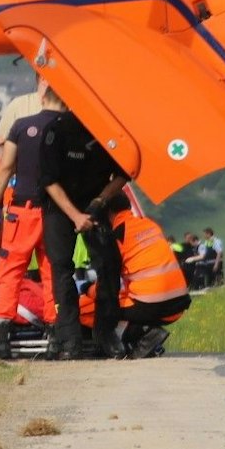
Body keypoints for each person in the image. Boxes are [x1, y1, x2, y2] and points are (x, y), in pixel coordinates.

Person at [37, 104, 129, 359]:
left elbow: (124, 173)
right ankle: (69, 339)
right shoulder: (56, 130)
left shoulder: (108, 131)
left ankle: (106, 332)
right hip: (59, 204)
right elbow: (48, 181)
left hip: (95, 200)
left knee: (109, 263)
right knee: (61, 267)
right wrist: (75, 215)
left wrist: (100, 202)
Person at [0, 85, 66, 359]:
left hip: (22, 211)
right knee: (52, 271)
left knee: (11, 271)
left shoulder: (21, 125)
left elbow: (5, 167)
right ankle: (56, 336)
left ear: (43, 98)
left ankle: (0, 339)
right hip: (56, 213)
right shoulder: (72, 128)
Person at [103, 195, 192, 358]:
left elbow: (108, 282)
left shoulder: (117, 235)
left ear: (108, 212)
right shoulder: (150, 224)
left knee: (105, 305)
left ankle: (145, 334)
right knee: (127, 301)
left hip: (151, 305)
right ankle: (145, 337)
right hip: (179, 303)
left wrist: (88, 291)